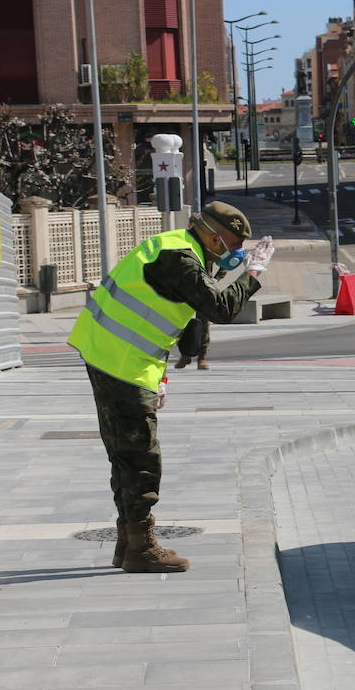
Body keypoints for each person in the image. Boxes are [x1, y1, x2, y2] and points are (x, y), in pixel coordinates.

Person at [68, 200, 274, 573]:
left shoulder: (175, 245)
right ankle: (141, 547)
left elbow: (155, 319)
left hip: (115, 356)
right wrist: (253, 272)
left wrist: (160, 377)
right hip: (121, 363)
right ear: (212, 235)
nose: (237, 252)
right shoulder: (179, 259)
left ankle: (126, 543)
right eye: (232, 242)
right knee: (141, 458)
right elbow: (222, 309)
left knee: (124, 454)